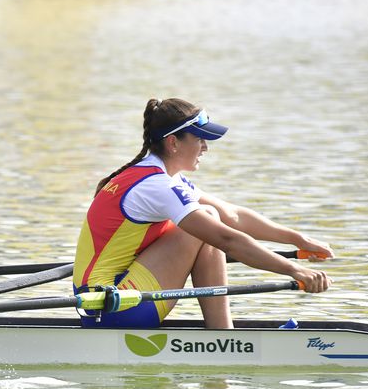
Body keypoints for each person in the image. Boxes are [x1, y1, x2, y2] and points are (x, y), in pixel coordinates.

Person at [74, 98, 332, 329]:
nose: (205, 148)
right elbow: (227, 239)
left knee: (208, 214)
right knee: (206, 224)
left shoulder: (157, 176)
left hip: (108, 300)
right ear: (173, 142)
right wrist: (293, 270)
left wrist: (297, 239)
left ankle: (222, 335)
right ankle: (223, 337)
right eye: (199, 139)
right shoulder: (156, 186)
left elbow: (233, 216)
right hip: (112, 306)